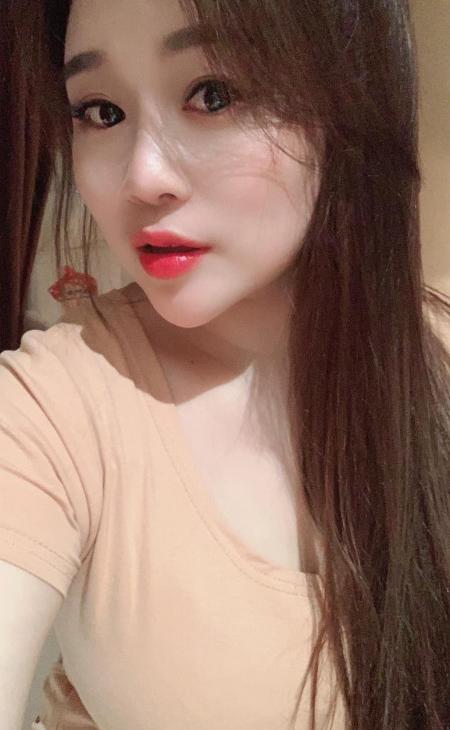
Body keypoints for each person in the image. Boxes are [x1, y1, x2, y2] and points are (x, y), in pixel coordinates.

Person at [0, 1, 449, 728]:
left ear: (350, 99)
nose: (142, 177)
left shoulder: (438, 348)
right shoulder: (51, 407)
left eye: (214, 94)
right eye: (101, 111)